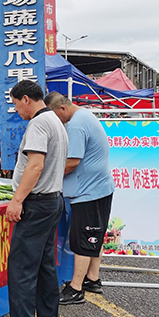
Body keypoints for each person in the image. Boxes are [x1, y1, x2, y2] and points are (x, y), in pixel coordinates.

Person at [0, 80, 68, 317]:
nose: (16, 110)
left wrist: (17, 200)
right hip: (52, 201)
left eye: (14, 104)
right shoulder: (56, 120)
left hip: (36, 203)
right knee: (45, 264)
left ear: (25, 99)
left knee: (22, 267)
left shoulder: (38, 123)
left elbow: (35, 166)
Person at [44, 92, 115, 305]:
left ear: (62, 109)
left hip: (88, 192)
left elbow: (72, 162)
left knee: (84, 239)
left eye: (56, 117)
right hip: (99, 188)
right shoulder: (85, 115)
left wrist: (47, 175)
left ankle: (75, 288)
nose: (57, 122)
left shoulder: (75, 125)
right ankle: (93, 278)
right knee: (94, 236)